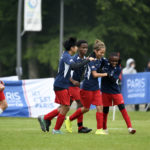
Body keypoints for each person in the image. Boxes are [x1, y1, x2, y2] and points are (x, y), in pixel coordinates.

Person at [37, 37, 94, 134]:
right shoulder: (67, 56)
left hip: (63, 85)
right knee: (66, 107)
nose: (77, 48)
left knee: (64, 107)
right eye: (76, 46)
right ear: (72, 48)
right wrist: (87, 60)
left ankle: (46, 118)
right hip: (61, 85)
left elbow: (72, 68)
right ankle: (56, 129)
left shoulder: (67, 56)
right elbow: (74, 66)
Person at [65, 39, 108, 135]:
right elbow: (94, 75)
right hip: (87, 88)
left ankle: (99, 129)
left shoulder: (101, 59)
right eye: (101, 52)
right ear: (96, 51)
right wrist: (106, 74)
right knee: (85, 108)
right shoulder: (90, 59)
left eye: (103, 53)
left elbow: (107, 64)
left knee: (100, 107)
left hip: (96, 87)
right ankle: (69, 119)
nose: (102, 54)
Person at [101, 52, 136, 134]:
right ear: (109, 60)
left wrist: (106, 74)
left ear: (118, 61)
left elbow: (113, 79)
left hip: (115, 91)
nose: (114, 63)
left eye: (116, 61)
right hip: (105, 91)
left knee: (122, 108)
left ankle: (130, 128)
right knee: (105, 110)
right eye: (112, 61)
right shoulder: (106, 65)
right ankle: (104, 128)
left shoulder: (118, 68)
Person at [69, 40, 92, 133]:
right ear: (78, 48)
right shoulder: (74, 59)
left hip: (77, 85)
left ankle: (46, 118)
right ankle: (79, 127)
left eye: (86, 48)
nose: (85, 49)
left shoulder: (85, 59)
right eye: (83, 47)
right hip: (70, 85)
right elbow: (65, 73)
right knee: (81, 104)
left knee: (64, 107)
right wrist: (73, 81)